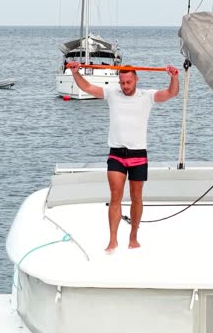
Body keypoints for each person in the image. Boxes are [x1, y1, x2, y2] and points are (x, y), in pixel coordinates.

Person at [67, 61, 180, 252]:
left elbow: (171, 93)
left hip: (138, 155)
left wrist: (174, 77)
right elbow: (86, 86)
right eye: (122, 82)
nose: (125, 86)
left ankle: (133, 237)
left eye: (128, 82)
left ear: (136, 79)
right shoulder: (112, 94)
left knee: (137, 198)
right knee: (115, 197)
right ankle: (112, 239)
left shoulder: (147, 96)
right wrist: (75, 73)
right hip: (116, 154)